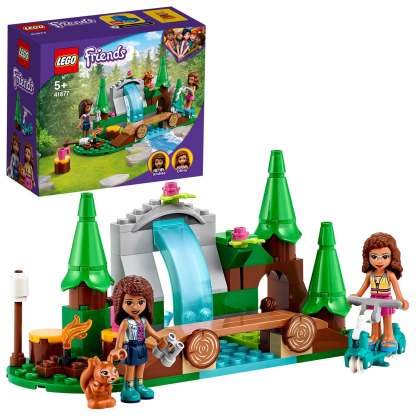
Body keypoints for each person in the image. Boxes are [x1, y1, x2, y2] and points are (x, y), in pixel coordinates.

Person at [110, 276, 165, 403]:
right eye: (129, 303)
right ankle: (128, 388)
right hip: (130, 347)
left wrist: (159, 339)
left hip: (142, 346)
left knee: (141, 365)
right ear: (121, 303)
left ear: (147, 302)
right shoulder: (125, 322)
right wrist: (117, 348)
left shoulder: (143, 321)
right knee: (131, 367)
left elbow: (151, 332)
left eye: (140, 302)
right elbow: (120, 337)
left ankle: (139, 385)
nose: (135, 307)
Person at [354, 232, 409, 352]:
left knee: (387, 318)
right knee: (374, 319)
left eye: (385, 257)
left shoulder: (390, 275)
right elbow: (363, 287)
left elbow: (397, 291)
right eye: (374, 257)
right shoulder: (370, 274)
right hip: (373, 300)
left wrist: (401, 300)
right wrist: (357, 296)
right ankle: (375, 335)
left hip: (386, 301)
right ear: (368, 257)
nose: (379, 261)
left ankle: (389, 336)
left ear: (392, 257)